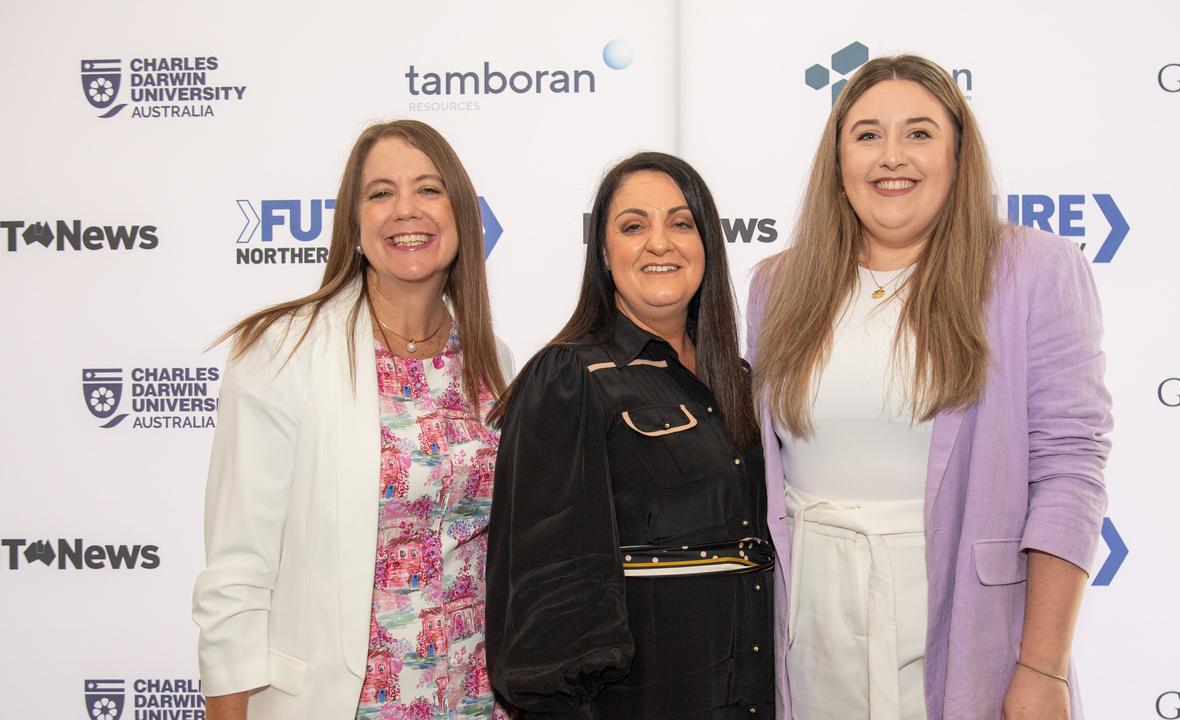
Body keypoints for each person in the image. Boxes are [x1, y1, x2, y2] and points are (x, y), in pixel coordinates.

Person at [748, 55, 1111, 720]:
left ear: (957, 155)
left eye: (918, 133)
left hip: (967, 632)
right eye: (866, 135)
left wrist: (1042, 668)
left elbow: (1069, 471)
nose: (892, 157)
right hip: (808, 636)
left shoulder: (1034, 271)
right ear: (836, 162)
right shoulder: (777, 285)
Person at [192, 120, 513, 720]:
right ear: (355, 225)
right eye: (381, 192)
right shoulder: (282, 350)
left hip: (477, 699)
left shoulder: (494, 362)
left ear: (463, 217)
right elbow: (238, 568)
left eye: (429, 189)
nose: (406, 210)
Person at [486, 152, 775, 719]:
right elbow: (547, 588)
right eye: (634, 226)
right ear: (602, 252)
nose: (660, 243)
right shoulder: (569, 376)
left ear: (707, 244)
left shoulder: (739, 381)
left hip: (751, 696)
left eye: (681, 222)